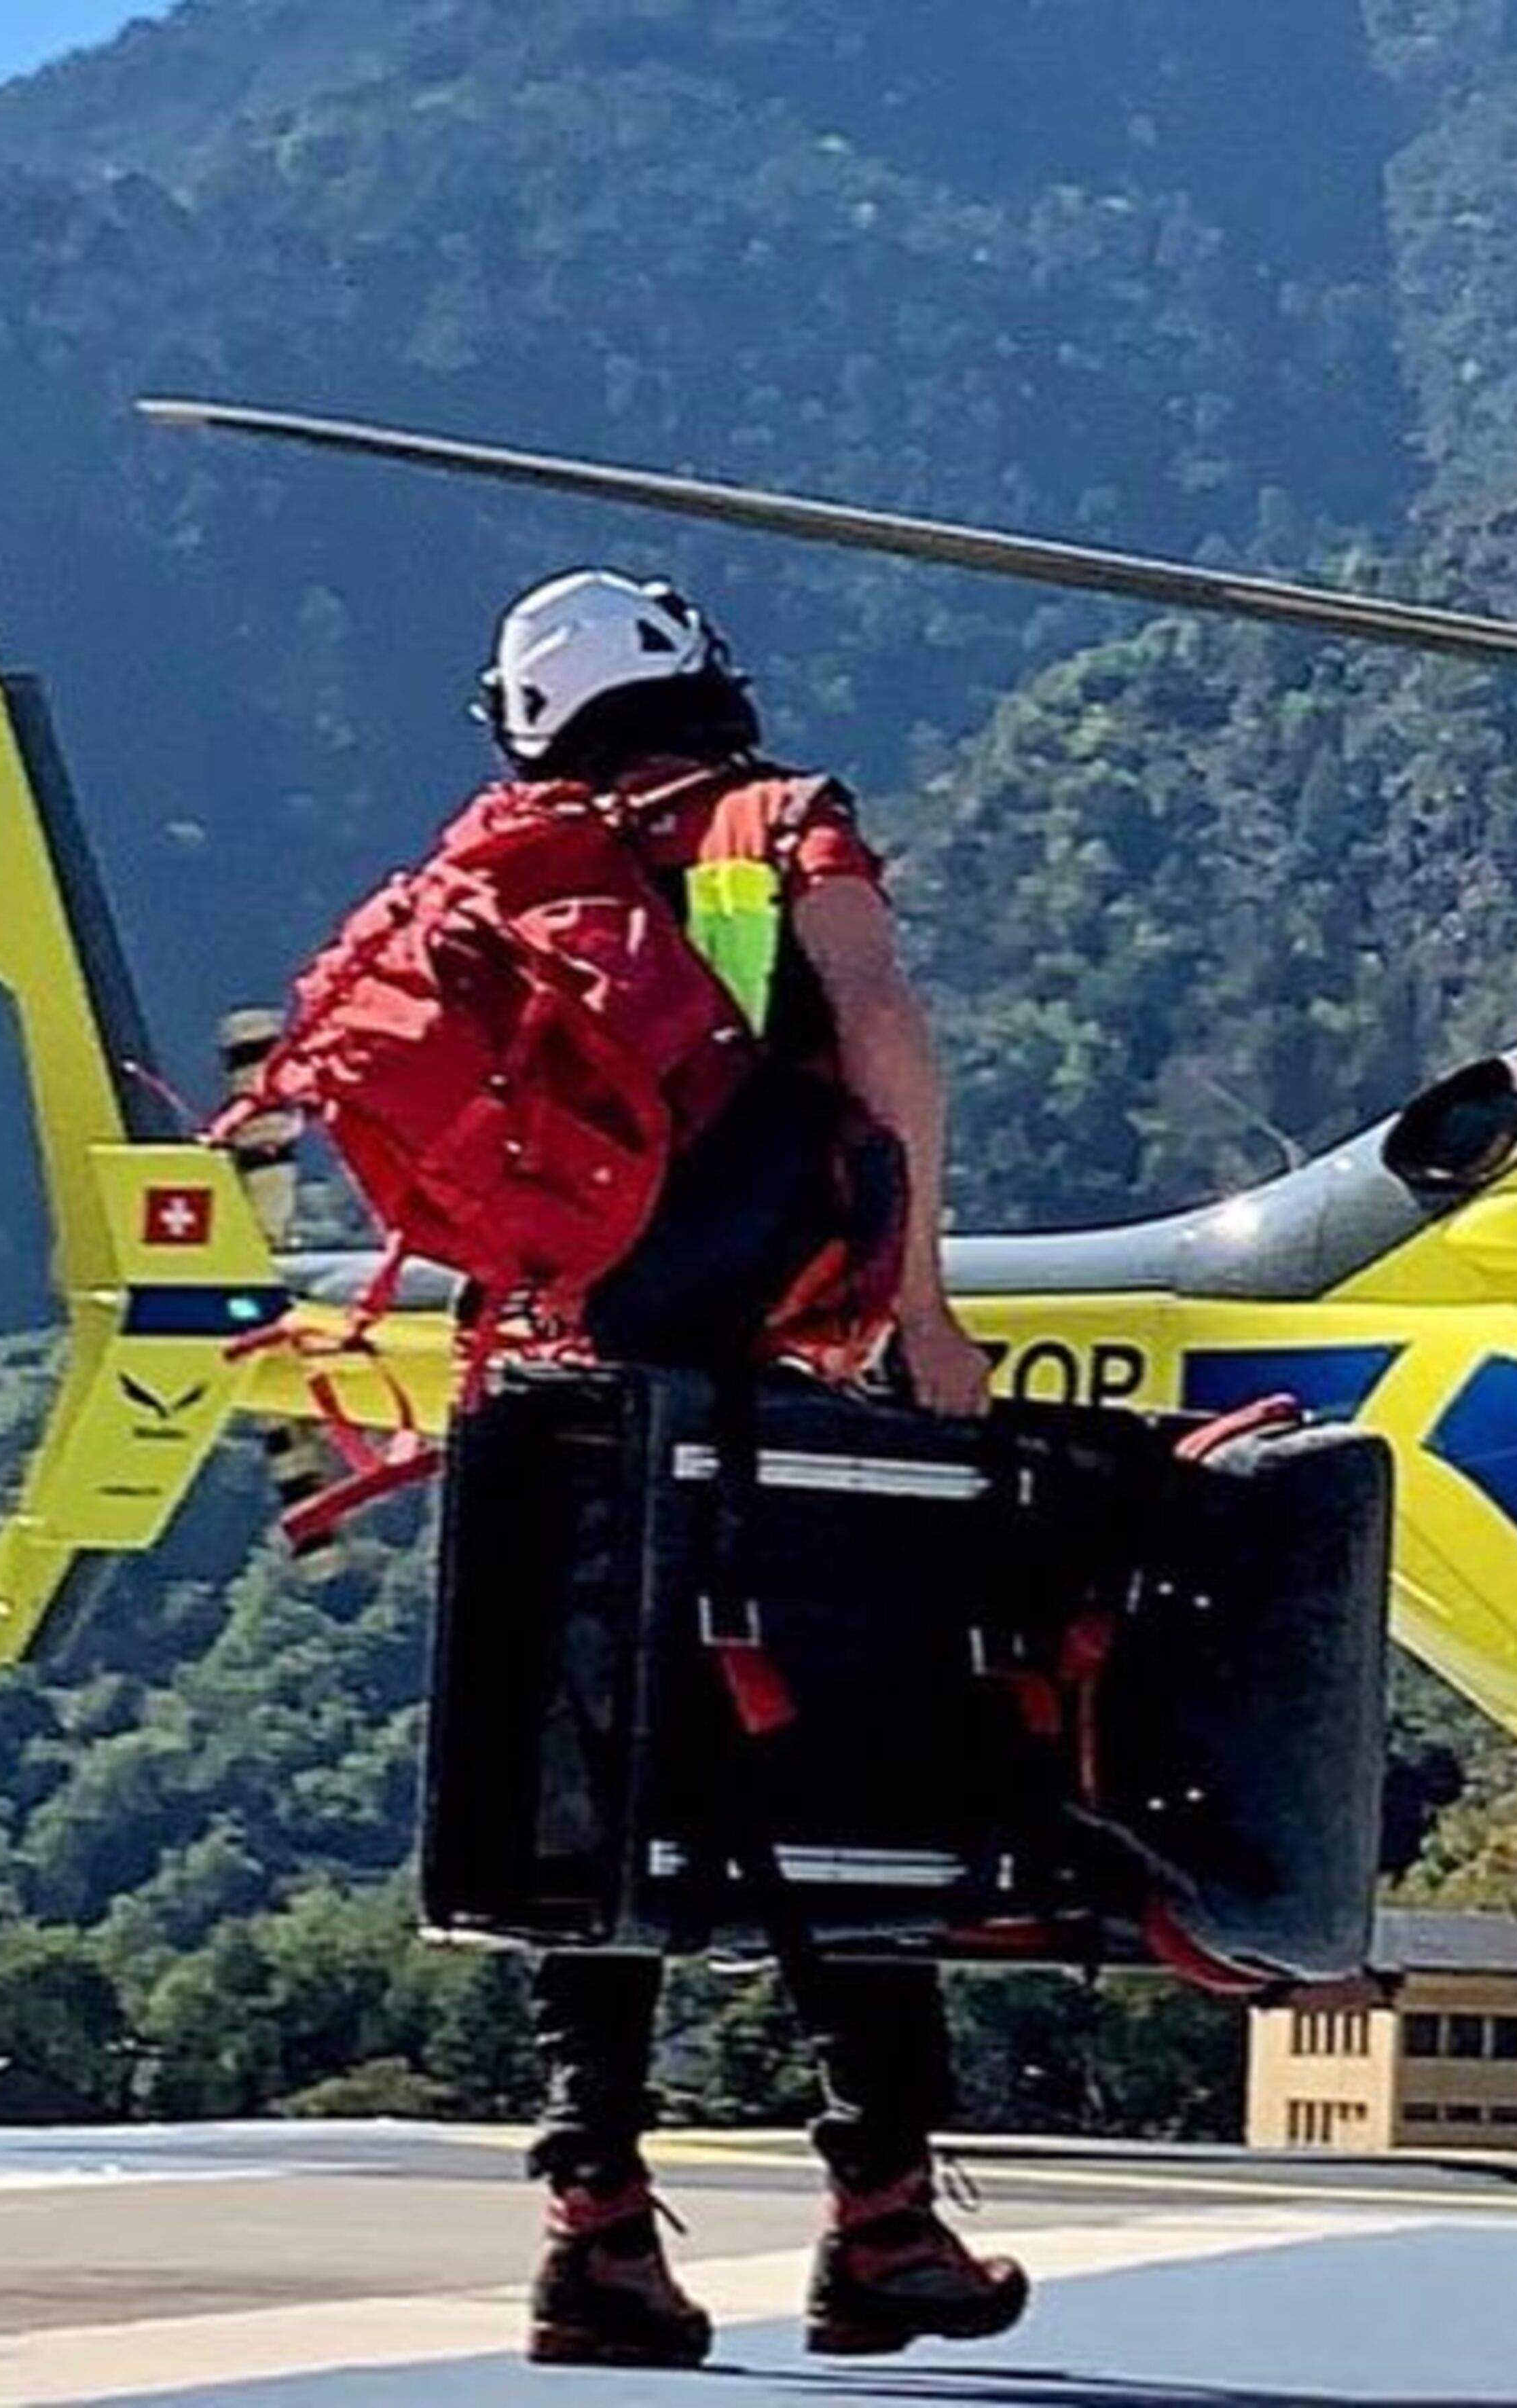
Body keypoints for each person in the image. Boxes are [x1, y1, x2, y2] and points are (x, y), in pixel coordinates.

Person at [443, 570, 1024, 2369]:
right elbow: (882, 1031)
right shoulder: (776, 825)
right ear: (703, 681)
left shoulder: (486, 866)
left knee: (581, 1799)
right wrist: (918, 1299)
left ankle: (592, 2231)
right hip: (776, 1387)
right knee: (860, 1758)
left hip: (556, 1384)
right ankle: (878, 2216)